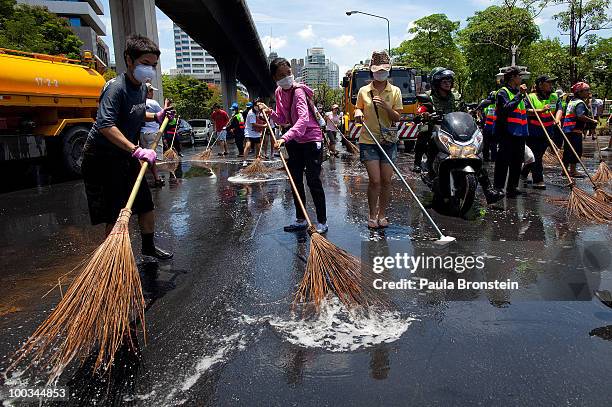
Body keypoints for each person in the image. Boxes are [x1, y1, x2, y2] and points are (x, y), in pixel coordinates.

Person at [81, 34, 173, 259]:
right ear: (128, 60)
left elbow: (136, 114)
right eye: (144, 64)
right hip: (102, 157)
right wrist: (136, 149)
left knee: (145, 203)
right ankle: (111, 261)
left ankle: (149, 249)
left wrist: (156, 116)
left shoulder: (141, 88)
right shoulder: (115, 88)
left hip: (126, 154)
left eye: (153, 65)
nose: (149, 70)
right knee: (114, 212)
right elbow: (105, 124)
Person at [259, 57, 328, 234]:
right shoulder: (278, 92)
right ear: (275, 78)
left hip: (311, 140)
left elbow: (304, 120)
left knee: (313, 181)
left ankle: (321, 221)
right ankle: (301, 219)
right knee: (295, 180)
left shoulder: (298, 91)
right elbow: (284, 119)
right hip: (294, 141)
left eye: (289, 73)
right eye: (282, 75)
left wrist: (284, 137)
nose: (287, 77)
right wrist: (270, 113)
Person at [418, 67, 503, 204]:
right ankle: (428, 170)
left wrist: (472, 114)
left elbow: (464, 111)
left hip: (455, 130)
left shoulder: (456, 96)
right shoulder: (428, 97)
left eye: (449, 81)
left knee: (473, 154)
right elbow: (421, 110)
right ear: (436, 82)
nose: (447, 83)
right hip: (436, 129)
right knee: (428, 138)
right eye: (444, 81)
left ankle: (488, 190)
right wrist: (425, 115)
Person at [353, 50, 402, 229]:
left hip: (388, 141)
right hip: (368, 140)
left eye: (384, 69)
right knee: (375, 180)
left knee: (387, 181)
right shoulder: (363, 91)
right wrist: (358, 113)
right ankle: (372, 214)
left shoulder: (395, 91)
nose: (380, 72)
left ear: (388, 70)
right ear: (371, 71)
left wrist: (386, 107)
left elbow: (397, 117)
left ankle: (382, 215)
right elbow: (357, 109)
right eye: (377, 70)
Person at [493, 66, 529, 198]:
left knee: (517, 161)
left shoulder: (520, 94)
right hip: (507, 132)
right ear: (513, 78)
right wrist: (519, 95)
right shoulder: (502, 92)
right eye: (519, 76)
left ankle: (512, 187)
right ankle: (498, 187)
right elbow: (505, 110)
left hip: (520, 133)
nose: (521, 78)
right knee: (503, 161)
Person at [524, 75, 559, 189]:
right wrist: (540, 111)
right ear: (540, 85)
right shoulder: (530, 97)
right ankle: (538, 180)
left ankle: (524, 171)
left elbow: (559, 108)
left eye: (551, 83)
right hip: (534, 132)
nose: (550, 85)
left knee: (538, 155)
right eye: (548, 83)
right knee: (537, 156)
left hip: (548, 131)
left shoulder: (554, 96)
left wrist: (557, 119)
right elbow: (525, 111)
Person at [561, 82, 599, 177]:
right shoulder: (580, 103)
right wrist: (592, 121)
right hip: (574, 130)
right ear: (579, 92)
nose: (588, 93)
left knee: (568, 150)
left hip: (567, 129)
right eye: (586, 91)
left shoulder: (572, 101)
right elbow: (580, 116)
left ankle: (564, 170)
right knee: (576, 150)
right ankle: (573, 171)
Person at [139, 82, 164, 187]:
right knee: (153, 158)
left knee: (146, 156)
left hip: (142, 134)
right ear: (147, 91)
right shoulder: (153, 103)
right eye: (151, 90)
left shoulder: (138, 102)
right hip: (153, 134)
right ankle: (153, 178)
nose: (152, 93)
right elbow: (162, 115)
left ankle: (155, 178)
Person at [242, 100, 266, 166]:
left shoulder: (258, 112)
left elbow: (261, 117)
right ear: (254, 106)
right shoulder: (251, 113)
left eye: (259, 105)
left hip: (256, 132)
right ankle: (244, 160)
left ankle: (256, 160)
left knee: (258, 146)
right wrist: (263, 126)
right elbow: (254, 124)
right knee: (248, 145)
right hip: (249, 131)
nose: (258, 107)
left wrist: (265, 118)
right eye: (257, 105)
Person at [476, 91, 498, 162]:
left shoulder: (487, 104)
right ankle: (492, 158)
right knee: (492, 144)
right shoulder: (496, 104)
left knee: (488, 144)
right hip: (492, 127)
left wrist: (481, 119)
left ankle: (487, 158)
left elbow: (482, 113)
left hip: (488, 127)